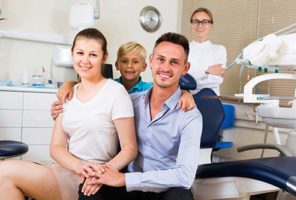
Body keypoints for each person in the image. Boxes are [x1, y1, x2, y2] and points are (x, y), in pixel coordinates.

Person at [0, 28, 137, 200]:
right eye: (80, 53)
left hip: (94, 178)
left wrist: (102, 173)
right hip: (65, 171)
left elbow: (130, 148)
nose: (85, 60)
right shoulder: (68, 93)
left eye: (93, 55)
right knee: (3, 174)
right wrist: (78, 165)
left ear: (104, 57)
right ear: (72, 55)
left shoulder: (116, 93)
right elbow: (56, 148)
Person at [80, 32, 203, 200]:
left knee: (181, 196)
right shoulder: (129, 101)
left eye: (174, 62)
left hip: (162, 189)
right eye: (161, 59)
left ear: (185, 69)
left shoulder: (190, 116)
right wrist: (65, 100)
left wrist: (124, 179)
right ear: (151, 61)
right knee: (89, 189)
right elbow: (92, 111)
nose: (165, 68)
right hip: (128, 187)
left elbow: (185, 176)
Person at [51, 41, 195, 120]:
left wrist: (185, 93)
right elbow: (87, 88)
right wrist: (69, 83)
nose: (130, 66)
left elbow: (167, 91)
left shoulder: (148, 88)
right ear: (117, 65)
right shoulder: (109, 86)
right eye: (125, 61)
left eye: (135, 62)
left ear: (145, 66)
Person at [188, 7, 227, 95]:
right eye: (196, 21)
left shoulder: (219, 50)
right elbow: (180, 78)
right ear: (192, 25)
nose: (200, 25)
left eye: (205, 22)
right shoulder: (183, 49)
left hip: (210, 100)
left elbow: (216, 80)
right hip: (186, 101)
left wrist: (190, 81)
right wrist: (207, 70)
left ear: (211, 26)